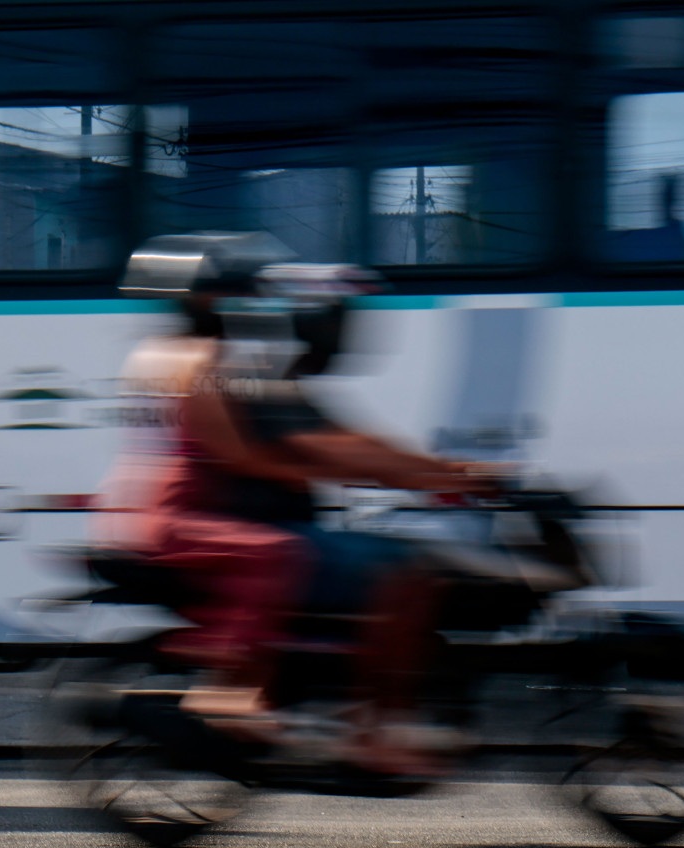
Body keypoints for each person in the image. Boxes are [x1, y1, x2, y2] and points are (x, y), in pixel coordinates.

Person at [102, 235, 494, 775]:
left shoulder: (169, 356)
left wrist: (427, 474)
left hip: (172, 514)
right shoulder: (209, 362)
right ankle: (367, 728)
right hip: (198, 520)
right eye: (249, 293)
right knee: (400, 572)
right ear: (214, 300)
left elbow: (342, 442)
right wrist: (420, 476)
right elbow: (259, 455)